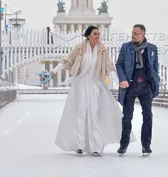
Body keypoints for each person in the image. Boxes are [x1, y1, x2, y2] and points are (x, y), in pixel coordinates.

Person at [50, 25, 136, 156]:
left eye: (99, 34)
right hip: (80, 83)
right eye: (95, 34)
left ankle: (96, 146)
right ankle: (80, 145)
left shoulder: (102, 50)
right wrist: (53, 71)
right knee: (81, 113)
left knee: (94, 113)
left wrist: (118, 81)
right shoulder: (79, 48)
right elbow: (67, 61)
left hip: (95, 83)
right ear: (88, 35)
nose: (98, 36)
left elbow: (109, 67)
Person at [116, 24, 160, 155]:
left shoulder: (152, 48)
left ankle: (146, 146)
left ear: (143, 35)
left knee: (148, 115)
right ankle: (123, 145)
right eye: (132, 33)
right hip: (130, 85)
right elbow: (119, 64)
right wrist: (122, 79)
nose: (133, 35)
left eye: (136, 33)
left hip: (146, 86)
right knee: (127, 116)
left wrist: (155, 82)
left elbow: (155, 67)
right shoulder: (126, 47)